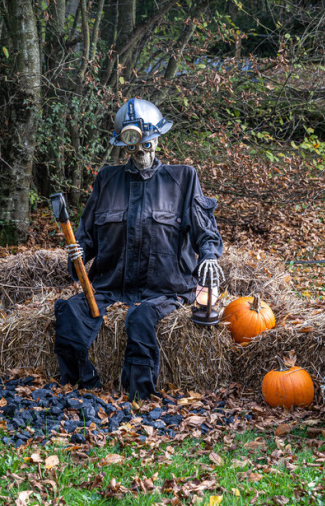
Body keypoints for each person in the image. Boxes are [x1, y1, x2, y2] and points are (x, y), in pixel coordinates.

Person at [53, 98, 224, 400]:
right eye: (132, 146)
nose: (140, 152)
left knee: (140, 319)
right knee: (69, 311)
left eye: (147, 144)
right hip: (111, 286)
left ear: (158, 139)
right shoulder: (107, 180)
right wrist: (77, 253)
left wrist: (210, 255)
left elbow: (205, 230)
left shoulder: (182, 178)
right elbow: (86, 238)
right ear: (123, 145)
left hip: (164, 288)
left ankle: (139, 396)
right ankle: (80, 387)